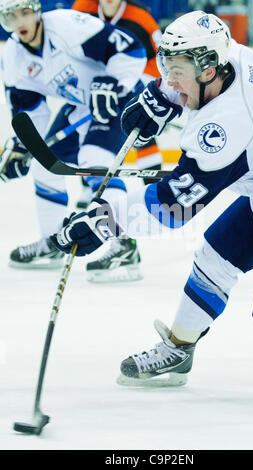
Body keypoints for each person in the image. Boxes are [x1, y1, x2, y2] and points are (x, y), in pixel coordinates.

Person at [52, 11, 253, 387]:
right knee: (214, 257)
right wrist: (160, 96)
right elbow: (183, 80)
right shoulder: (233, 56)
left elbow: (171, 207)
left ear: (207, 69)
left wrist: (104, 221)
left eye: (176, 68)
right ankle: (179, 349)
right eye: (166, 62)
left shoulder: (223, 127)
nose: (169, 75)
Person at [0, 0, 146, 282]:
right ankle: (54, 243)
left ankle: (123, 245)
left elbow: (131, 47)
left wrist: (113, 82)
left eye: (25, 13)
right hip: (81, 107)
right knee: (45, 164)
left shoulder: (66, 25)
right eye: (11, 17)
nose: (20, 23)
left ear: (37, 11)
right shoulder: (14, 57)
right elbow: (29, 110)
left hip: (119, 97)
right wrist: (25, 146)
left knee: (95, 159)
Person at [71, 0, 167, 277]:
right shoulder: (82, 10)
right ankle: (91, 188)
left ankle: (153, 182)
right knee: (87, 139)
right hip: (96, 84)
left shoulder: (142, 19)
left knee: (139, 132)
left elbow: (161, 60)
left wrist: (133, 81)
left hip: (134, 81)